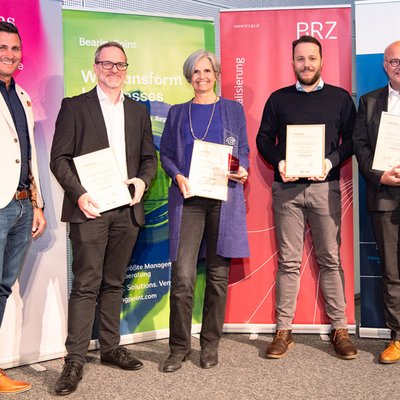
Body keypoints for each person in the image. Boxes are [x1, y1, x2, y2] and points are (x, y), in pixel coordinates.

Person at [50, 41, 157, 395]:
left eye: (120, 65)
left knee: (114, 282)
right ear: (95, 67)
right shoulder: (74, 107)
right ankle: (75, 359)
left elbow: (148, 159)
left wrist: (142, 182)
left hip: (126, 210)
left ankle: (110, 348)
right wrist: (80, 194)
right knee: (85, 285)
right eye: (107, 64)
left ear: (127, 69)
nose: (114, 71)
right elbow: (59, 159)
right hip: (90, 209)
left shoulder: (139, 111)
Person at [256, 35, 357, 360]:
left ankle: (339, 329)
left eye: (311, 58)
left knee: (330, 259)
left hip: (324, 187)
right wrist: (279, 162)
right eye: (300, 59)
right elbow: (263, 139)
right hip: (286, 190)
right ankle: (283, 331)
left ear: (321, 60)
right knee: (288, 262)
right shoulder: (278, 99)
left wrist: (329, 162)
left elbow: (353, 139)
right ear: (293, 63)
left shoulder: (340, 98)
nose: (306, 64)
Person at [160, 50, 250, 372]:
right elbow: (166, 155)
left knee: (216, 277)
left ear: (216, 74)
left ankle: (209, 345)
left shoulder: (232, 110)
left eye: (207, 71)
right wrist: (177, 175)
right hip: (188, 201)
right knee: (182, 276)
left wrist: (242, 170)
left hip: (223, 203)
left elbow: (242, 152)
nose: (202, 76)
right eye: (195, 72)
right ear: (189, 77)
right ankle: (178, 347)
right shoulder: (177, 113)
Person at [0, 22, 46, 394]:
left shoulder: (24, 96)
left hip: (20, 207)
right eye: (2, 47)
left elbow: (28, 156)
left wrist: (37, 204)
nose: (9, 54)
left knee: (2, 288)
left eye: (14, 48)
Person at [353, 40, 400, 364]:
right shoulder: (369, 102)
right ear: (385, 65)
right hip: (384, 196)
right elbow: (359, 146)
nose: (399, 65)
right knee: (393, 272)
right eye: (394, 61)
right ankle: (398, 337)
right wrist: (378, 175)